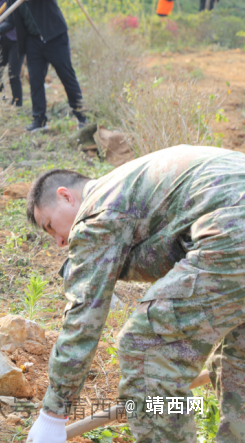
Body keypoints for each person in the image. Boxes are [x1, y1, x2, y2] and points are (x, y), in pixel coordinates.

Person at [24, 145, 245, 443]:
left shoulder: (98, 211)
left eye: (50, 226)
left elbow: (83, 318)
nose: (59, 241)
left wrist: (53, 414)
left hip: (233, 228)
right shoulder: (131, 184)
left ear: (66, 195)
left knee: (147, 349)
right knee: (238, 357)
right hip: (231, 220)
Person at [0, 0, 86, 133]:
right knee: (35, 81)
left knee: (67, 76)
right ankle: (39, 120)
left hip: (54, 37)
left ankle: (81, 116)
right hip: (32, 42)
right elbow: (12, 21)